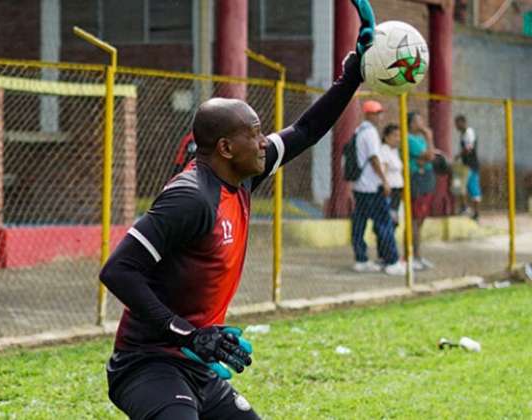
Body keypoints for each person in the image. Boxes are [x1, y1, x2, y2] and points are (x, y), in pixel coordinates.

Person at [98, 2, 377, 418]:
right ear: (226, 147)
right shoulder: (191, 197)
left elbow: (305, 131)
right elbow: (117, 271)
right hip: (148, 364)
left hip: (197, 366)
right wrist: (188, 334)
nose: (264, 141)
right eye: (255, 133)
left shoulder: (242, 179)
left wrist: (351, 75)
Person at [350, 101, 405, 276]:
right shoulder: (371, 133)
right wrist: (385, 181)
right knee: (384, 223)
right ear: (369, 114)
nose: (379, 116)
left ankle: (361, 259)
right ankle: (392, 261)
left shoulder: (358, 131)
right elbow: (374, 159)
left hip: (360, 186)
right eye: (377, 113)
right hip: (372, 186)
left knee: (359, 222)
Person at [407, 112, 436, 271]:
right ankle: (412, 255)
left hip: (426, 178)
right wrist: (429, 137)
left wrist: (425, 158)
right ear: (411, 123)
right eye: (419, 120)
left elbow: (427, 157)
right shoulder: (409, 139)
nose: (422, 123)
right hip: (417, 179)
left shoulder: (419, 139)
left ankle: (418, 255)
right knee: (415, 220)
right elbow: (430, 156)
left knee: (421, 220)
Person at [455, 114, 481, 221]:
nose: (456, 126)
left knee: (473, 188)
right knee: (459, 185)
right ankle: (464, 207)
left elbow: (469, 148)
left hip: (471, 166)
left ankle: (476, 213)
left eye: (457, 124)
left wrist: (458, 155)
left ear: (463, 123)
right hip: (466, 165)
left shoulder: (469, 133)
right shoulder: (463, 134)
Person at [380, 124, 403, 227]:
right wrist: (385, 183)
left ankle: (389, 240)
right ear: (386, 137)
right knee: (389, 218)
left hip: (397, 189)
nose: (398, 139)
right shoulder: (384, 150)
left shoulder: (394, 151)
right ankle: (385, 241)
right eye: (395, 136)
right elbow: (383, 168)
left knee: (394, 218)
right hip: (390, 189)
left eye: (399, 136)